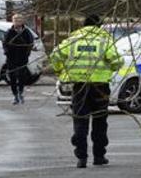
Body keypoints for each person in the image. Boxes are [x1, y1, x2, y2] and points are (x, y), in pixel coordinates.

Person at [50, 14, 123, 168]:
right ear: (99, 26)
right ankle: (99, 156)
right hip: (99, 86)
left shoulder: (73, 39)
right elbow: (117, 61)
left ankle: (81, 157)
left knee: (80, 120)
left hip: (79, 86)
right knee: (99, 121)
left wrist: (60, 71)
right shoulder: (104, 40)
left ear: (84, 25)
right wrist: (110, 69)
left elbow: (55, 55)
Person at [2, 14, 35, 105]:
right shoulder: (9, 32)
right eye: (15, 20)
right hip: (11, 58)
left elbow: (31, 43)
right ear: (13, 21)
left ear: (22, 21)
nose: (17, 22)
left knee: (21, 77)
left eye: (19, 20)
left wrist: (27, 54)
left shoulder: (26, 32)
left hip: (22, 58)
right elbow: (4, 43)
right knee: (12, 77)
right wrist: (7, 52)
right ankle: (15, 95)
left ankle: (20, 92)